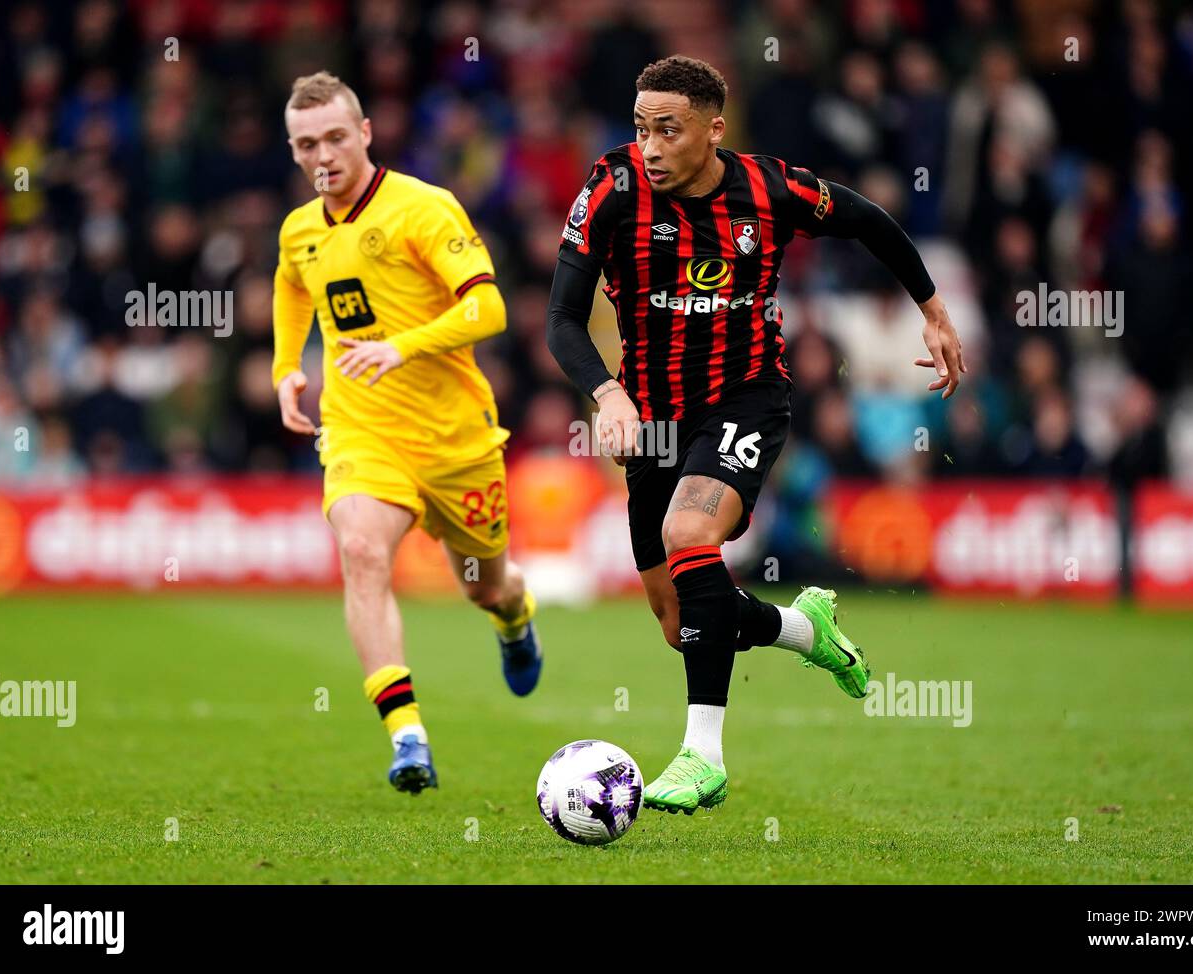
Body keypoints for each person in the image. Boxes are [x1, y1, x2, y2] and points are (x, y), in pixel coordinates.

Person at [547, 56, 966, 814]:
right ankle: (806, 631)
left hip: (747, 397)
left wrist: (933, 313)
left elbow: (869, 221)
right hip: (650, 417)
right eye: (640, 128)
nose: (649, 145)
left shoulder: (771, 189)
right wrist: (607, 393)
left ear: (714, 129)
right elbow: (561, 318)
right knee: (682, 623)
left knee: (689, 531)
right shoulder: (612, 189)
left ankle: (700, 757)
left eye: (667, 130)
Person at [272, 72, 541, 795]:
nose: (321, 155)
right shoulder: (299, 230)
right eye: (306, 144)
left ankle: (515, 621)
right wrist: (285, 369)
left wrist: (403, 346)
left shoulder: (423, 207)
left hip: (455, 440)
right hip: (362, 431)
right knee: (361, 551)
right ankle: (407, 735)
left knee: (485, 586)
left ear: (363, 132)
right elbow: (291, 287)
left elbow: (489, 310)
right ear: (294, 151)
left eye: (334, 137)